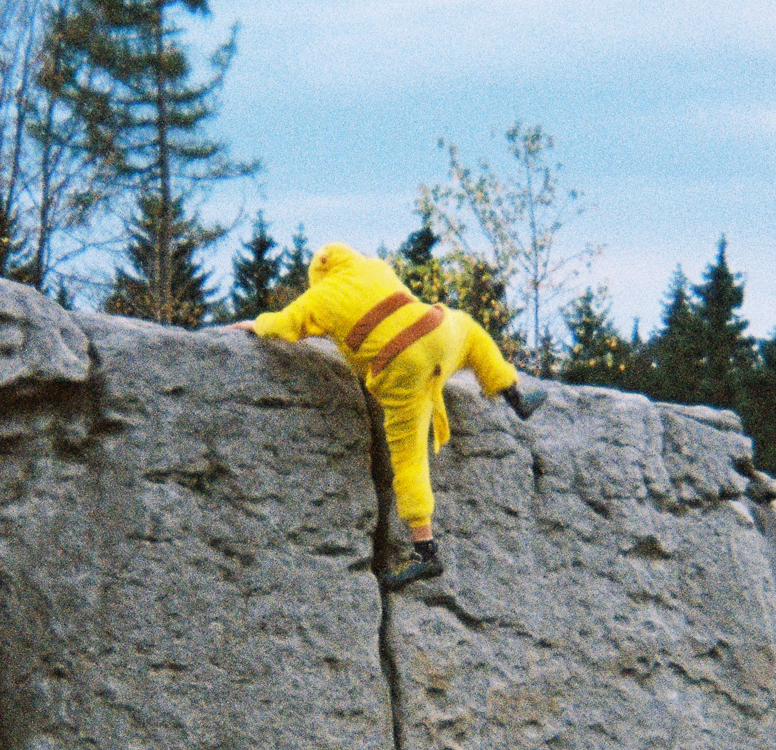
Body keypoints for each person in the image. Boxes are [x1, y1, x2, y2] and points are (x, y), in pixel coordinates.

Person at [231, 242, 545, 589]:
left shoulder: (316, 298)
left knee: (410, 458)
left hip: (399, 366)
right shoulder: (377, 266)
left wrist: (255, 323)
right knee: (469, 328)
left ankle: (425, 552)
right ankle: (513, 394)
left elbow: (283, 324)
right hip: (435, 331)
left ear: (318, 275)